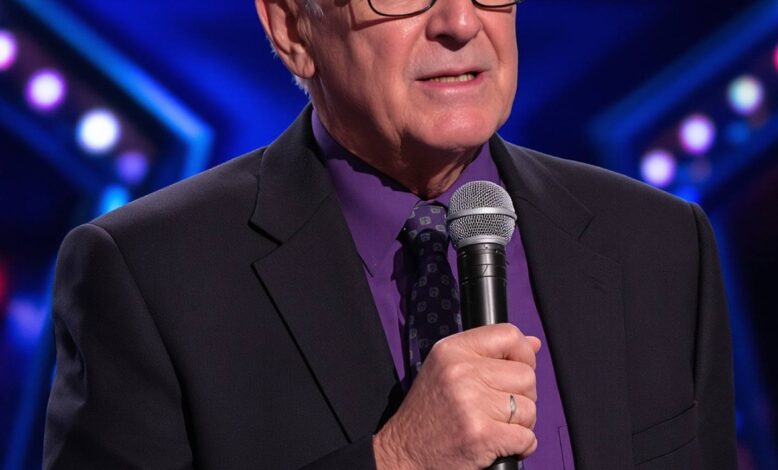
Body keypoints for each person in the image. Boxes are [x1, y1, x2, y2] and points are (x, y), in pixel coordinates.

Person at [43, 0, 737, 466]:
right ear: (292, 28)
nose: (461, 21)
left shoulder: (661, 244)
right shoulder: (148, 276)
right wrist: (398, 460)